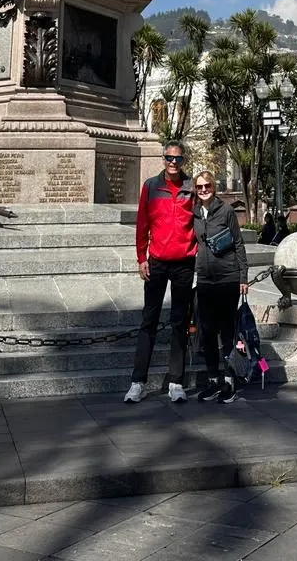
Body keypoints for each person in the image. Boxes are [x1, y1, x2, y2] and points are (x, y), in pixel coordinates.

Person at [124, 142, 197, 404]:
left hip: (184, 263)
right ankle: (137, 382)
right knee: (149, 320)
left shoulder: (192, 188)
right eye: (169, 157)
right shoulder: (151, 186)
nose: (173, 162)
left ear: (183, 160)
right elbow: (142, 222)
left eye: (177, 158)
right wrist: (141, 256)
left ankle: (176, 381)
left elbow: (200, 220)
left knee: (179, 322)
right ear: (163, 158)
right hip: (157, 261)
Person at [193, 171, 249, 404]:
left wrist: (243, 276)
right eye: (199, 187)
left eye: (207, 186)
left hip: (227, 277)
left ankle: (230, 380)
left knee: (227, 331)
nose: (203, 190)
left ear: (213, 188)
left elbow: (238, 243)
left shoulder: (225, 211)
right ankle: (214, 379)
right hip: (205, 279)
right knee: (206, 331)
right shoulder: (194, 213)